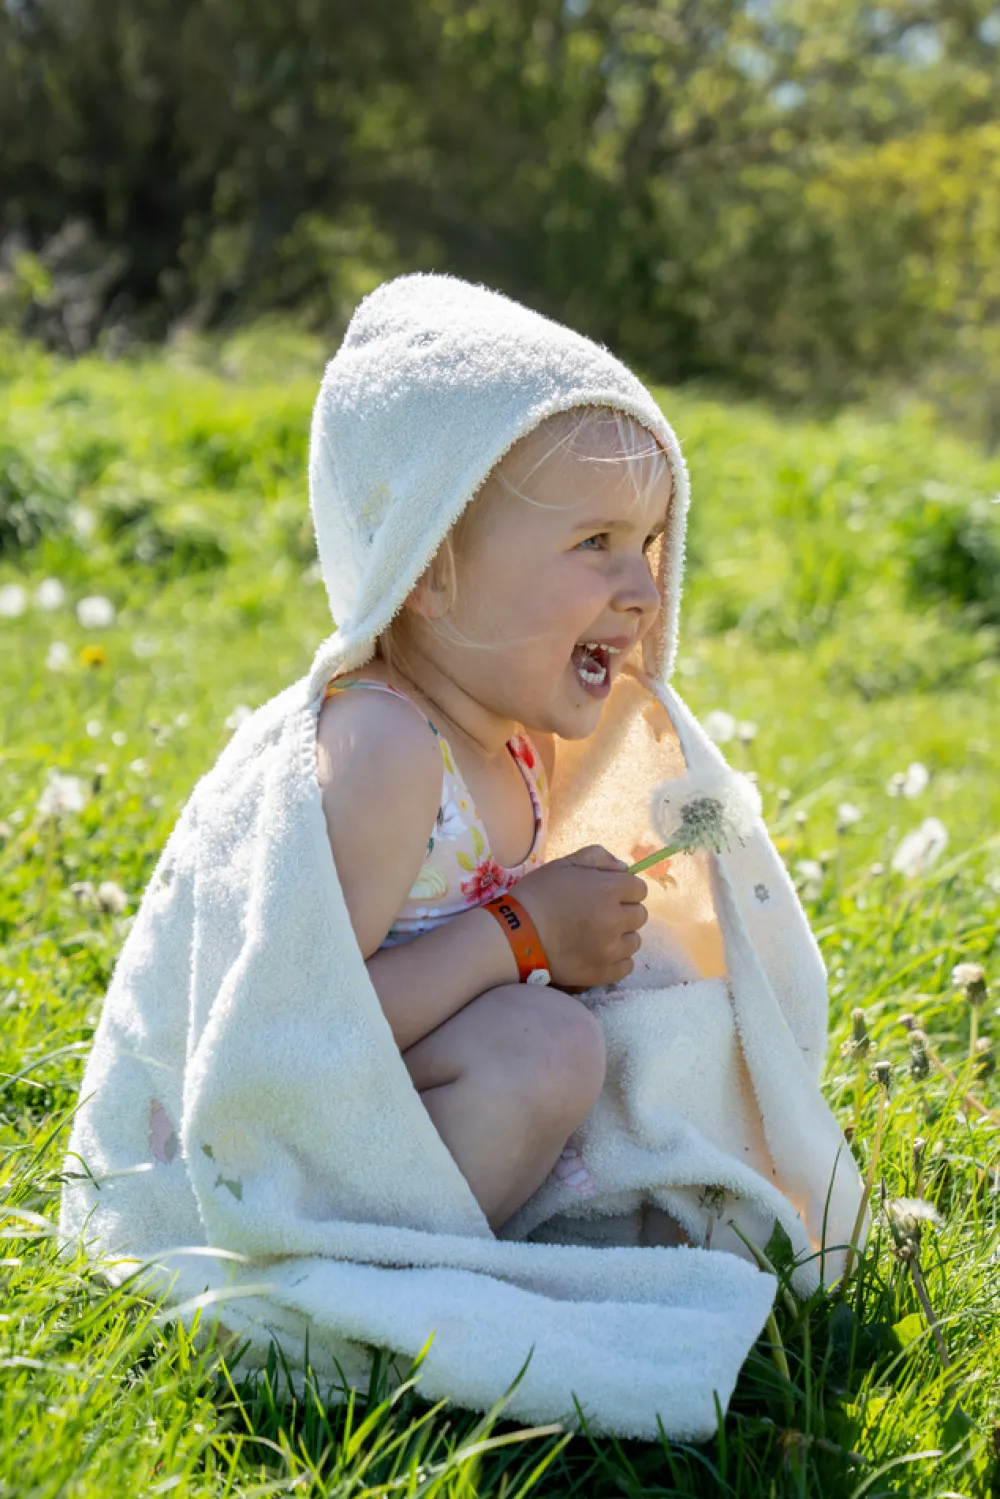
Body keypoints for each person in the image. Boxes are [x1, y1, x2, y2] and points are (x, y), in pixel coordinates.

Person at [316, 406, 669, 1230]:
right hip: (309, 1141)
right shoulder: (385, 746)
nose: (646, 594)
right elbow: (311, 1021)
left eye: (649, 544)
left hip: (404, 1108)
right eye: (596, 542)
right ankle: (376, 1268)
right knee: (547, 1048)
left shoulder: (517, 743)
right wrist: (522, 932)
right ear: (431, 570)